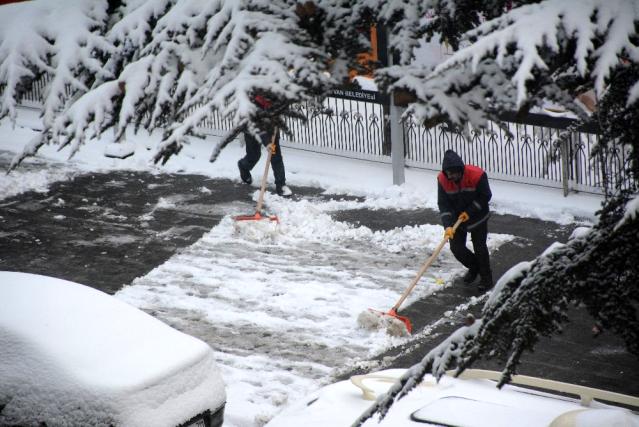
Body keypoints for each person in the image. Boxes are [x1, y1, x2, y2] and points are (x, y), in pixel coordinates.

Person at [437, 149, 493, 289]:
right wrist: (448, 226)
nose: (452, 177)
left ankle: (487, 279)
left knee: (479, 247)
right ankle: (474, 267)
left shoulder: (476, 175)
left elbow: (485, 196)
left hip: (478, 216)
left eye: (455, 174)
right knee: (456, 248)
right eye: (449, 174)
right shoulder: (442, 180)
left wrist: (470, 211)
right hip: (457, 219)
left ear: (461, 170)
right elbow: (444, 204)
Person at [237, 95, 292, 197]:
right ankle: (243, 166)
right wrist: (267, 143)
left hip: (271, 129)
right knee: (254, 156)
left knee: (276, 157)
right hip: (252, 130)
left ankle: (281, 185)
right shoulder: (253, 106)